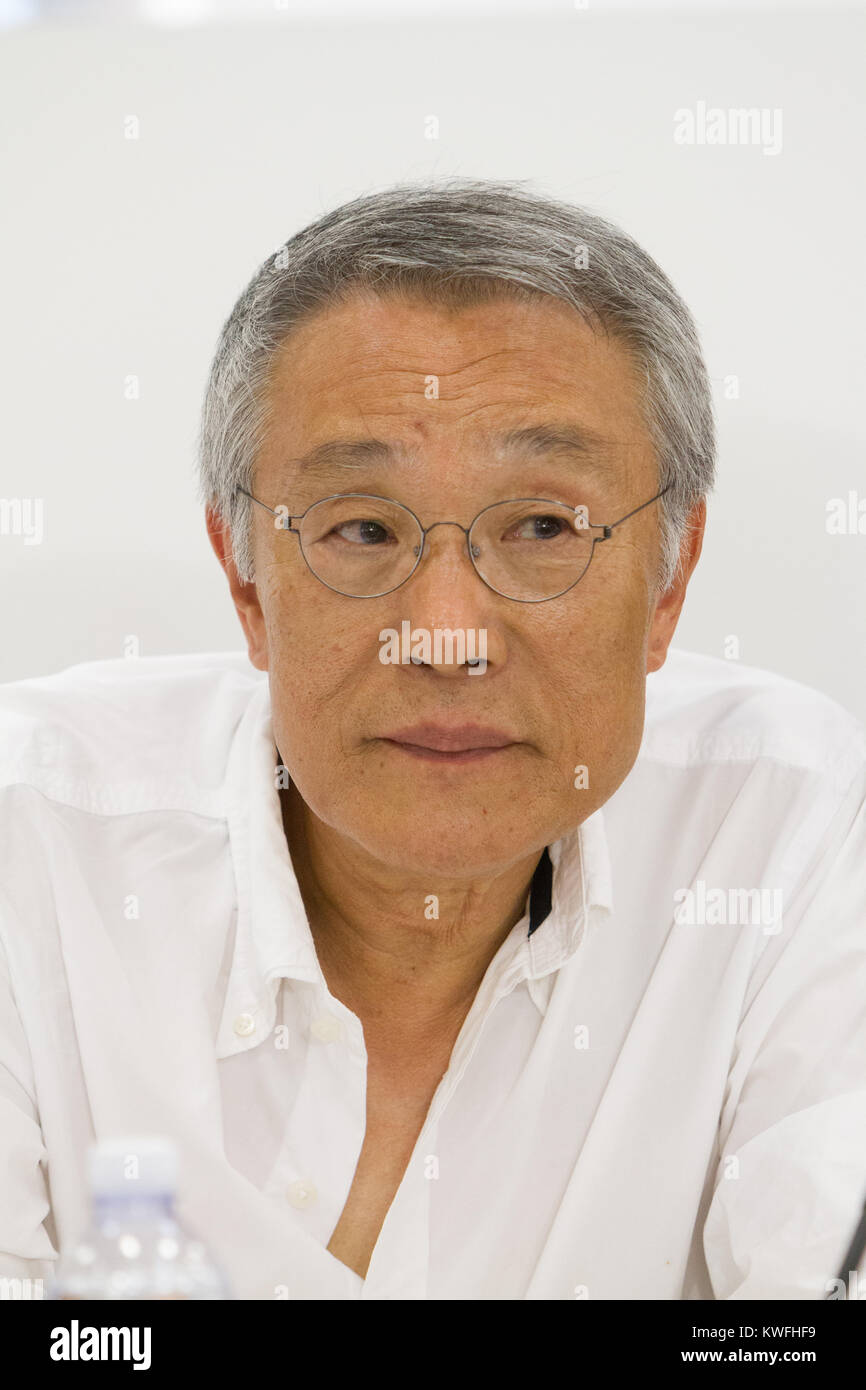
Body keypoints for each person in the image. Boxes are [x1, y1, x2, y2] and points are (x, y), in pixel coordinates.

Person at [1, 179, 864, 1300]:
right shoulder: (32, 842)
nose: (446, 635)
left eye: (544, 526)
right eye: (362, 528)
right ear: (245, 581)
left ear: (669, 580)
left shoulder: (781, 826)